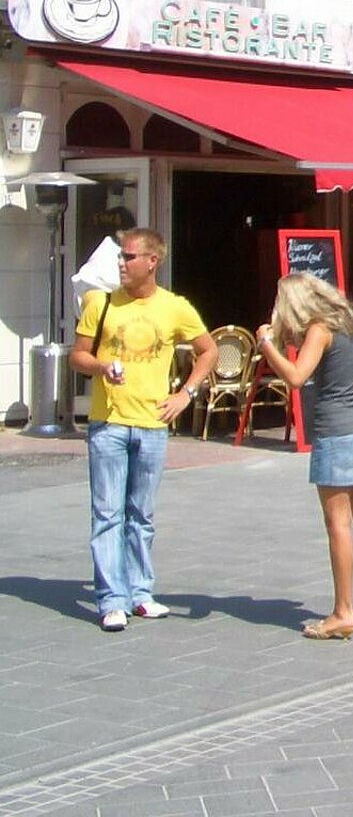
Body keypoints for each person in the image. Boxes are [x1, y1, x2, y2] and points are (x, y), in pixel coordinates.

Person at [70, 228, 216, 633]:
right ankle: (111, 599)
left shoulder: (174, 307)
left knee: (142, 515)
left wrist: (186, 393)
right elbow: (78, 356)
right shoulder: (100, 302)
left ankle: (140, 592)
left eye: (129, 257)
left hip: (152, 423)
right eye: (120, 257)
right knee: (107, 513)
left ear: (153, 261)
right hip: (109, 422)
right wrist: (101, 367)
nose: (121, 263)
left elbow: (209, 350)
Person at [255, 272, 353, 640]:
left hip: (336, 430)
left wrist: (267, 344)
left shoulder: (320, 328)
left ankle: (343, 612)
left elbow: (297, 377)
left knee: (338, 524)